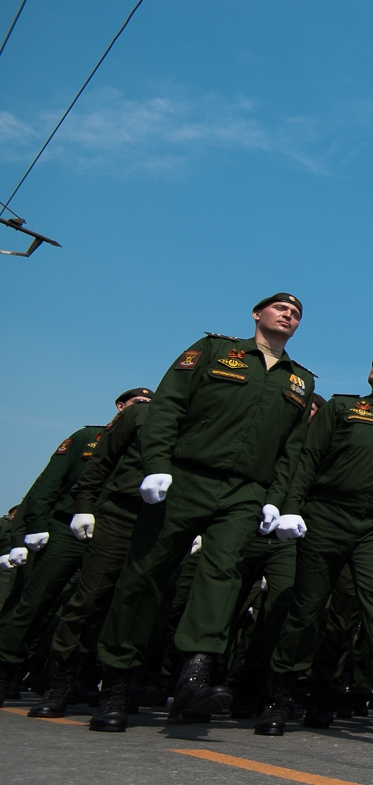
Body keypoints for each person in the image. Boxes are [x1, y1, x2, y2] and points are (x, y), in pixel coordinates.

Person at [92, 294, 317, 732]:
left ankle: (194, 677)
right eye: (280, 309)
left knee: (222, 575)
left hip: (244, 491)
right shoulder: (215, 350)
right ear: (257, 314)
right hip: (185, 477)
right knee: (146, 574)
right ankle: (117, 682)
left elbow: (292, 448)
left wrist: (276, 497)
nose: (288, 315)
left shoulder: (299, 380)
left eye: (296, 314)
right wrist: (157, 464)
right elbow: (169, 406)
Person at [255, 349, 373, 737]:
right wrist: (292, 508)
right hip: (326, 514)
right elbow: (308, 458)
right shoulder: (341, 408)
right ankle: (279, 699)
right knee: (307, 608)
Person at [22, 388, 155, 718]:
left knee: (135, 607)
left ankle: (114, 690)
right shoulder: (135, 418)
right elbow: (101, 462)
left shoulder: (207, 422)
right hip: (120, 513)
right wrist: (83, 506)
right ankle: (59, 684)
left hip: (162, 521)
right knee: (88, 600)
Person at [0, 401, 117, 701]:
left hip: (110, 533)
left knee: (91, 610)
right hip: (66, 528)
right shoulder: (86, 438)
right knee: (36, 602)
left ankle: (69, 678)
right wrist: (35, 526)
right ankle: (6, 669)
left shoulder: (143, 443)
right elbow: (49, 482)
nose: (142, 407)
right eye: (136, 402)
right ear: (120, 405)